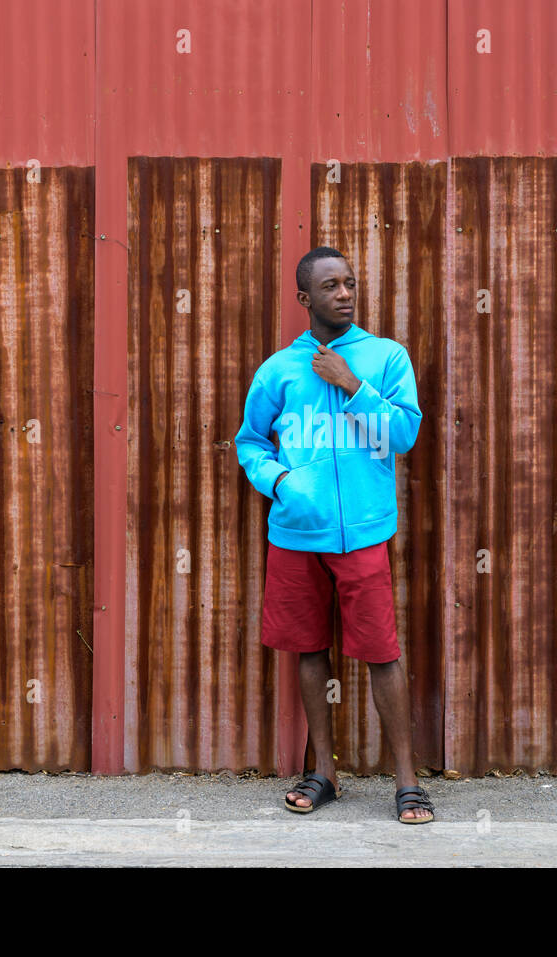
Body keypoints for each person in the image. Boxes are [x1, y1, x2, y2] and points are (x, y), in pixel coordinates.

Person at [235, 246, 434, 824]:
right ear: (305, 299)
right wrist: (282, 482)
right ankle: (324, 772)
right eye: (330, 286)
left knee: (381, 652)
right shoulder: (277, 370)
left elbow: (403, 435)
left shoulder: (385, 357)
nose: (344, 293)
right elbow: (251, 441)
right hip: (297, 534)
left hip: (365, 533)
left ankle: (407, 780)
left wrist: (352, 384)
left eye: (349, 283)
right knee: (309, 651)